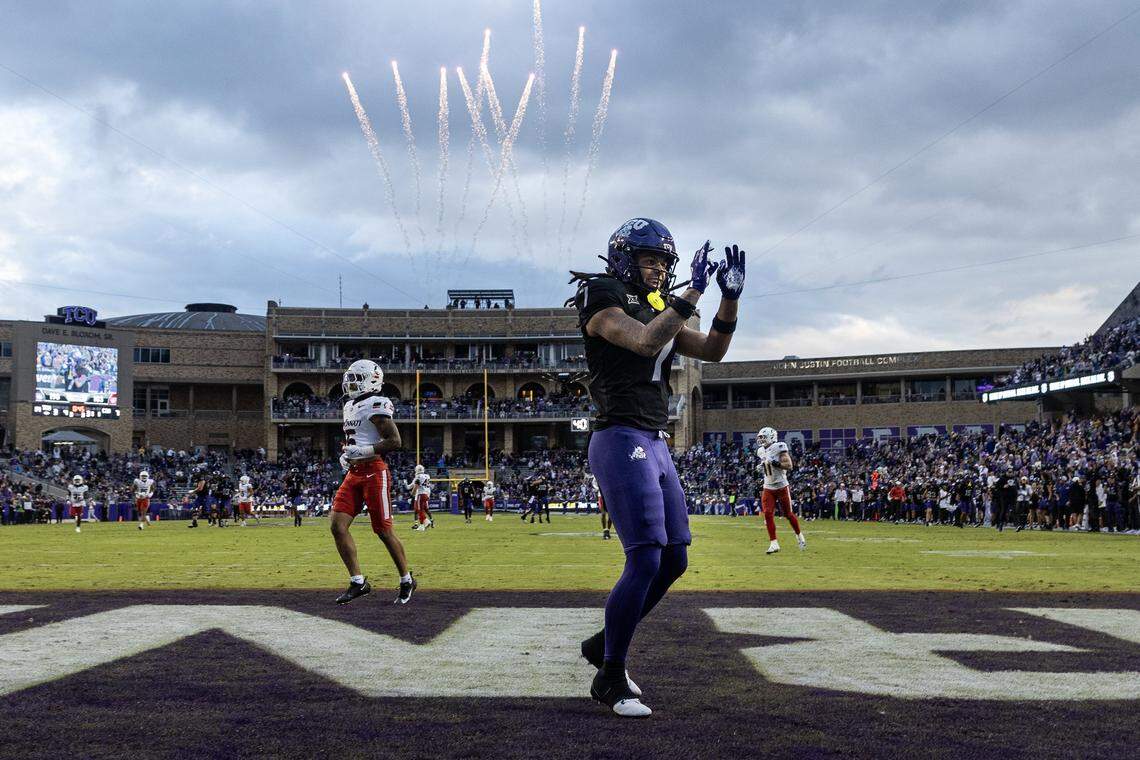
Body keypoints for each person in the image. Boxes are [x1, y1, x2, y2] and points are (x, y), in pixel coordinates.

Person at [569, 217, 745, 717]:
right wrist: (690, 292)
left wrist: (729, 298)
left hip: (655, 438)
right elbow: (646, 342)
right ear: (625, 257)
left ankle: (602, 643)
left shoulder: (657, 306)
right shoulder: (601, 293)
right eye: (651, 259)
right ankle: (609, 674)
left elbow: (711, 350)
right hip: (619, 434)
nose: (659, 269)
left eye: (665, 262)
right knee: (645, 557)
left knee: (674, 560)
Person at [330, 359, 415, 605]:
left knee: (383, 530)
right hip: (354, 473)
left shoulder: (376, 403)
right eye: (350, 378)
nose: (350, 383)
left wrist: (364, 451)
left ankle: (406, 579)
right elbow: (354, 439)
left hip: (374, 472)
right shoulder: (349, 406)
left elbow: (394, 441)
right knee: (337, 525)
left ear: (373, 379)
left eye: (356, 378)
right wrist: (346, 455)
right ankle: (358, 582)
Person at [756, 427, 806, 554]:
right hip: (768, 486)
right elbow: (767, 464)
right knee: (767, 513)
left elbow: (789, 465)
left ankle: (799, 535)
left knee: (788, 514)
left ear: (771, 437)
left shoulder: (779, 447)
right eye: (760, 437)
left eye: (763, 437)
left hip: (781, 485)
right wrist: (762, 467)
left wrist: (776, 464)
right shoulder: (760, 451)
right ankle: (774, 543)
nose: (761, 440)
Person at [406, 464, 434, 530]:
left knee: (419, 510)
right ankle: (425, 523)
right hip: (427, 494)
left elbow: (415, 487)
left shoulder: (418, 476)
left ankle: (424, 523)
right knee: (422, 510)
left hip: (421, 494)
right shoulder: (427, 476)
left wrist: (410, 496)